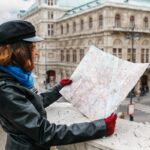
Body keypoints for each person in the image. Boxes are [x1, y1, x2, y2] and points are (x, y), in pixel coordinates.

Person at [0, 20, 117, 150]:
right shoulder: (5, 88)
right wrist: (101, 127)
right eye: (32, 47)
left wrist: (58, 88)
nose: (36, 52)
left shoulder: (15, 77)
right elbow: (44, 132)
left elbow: (33, 103)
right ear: (19, 51)